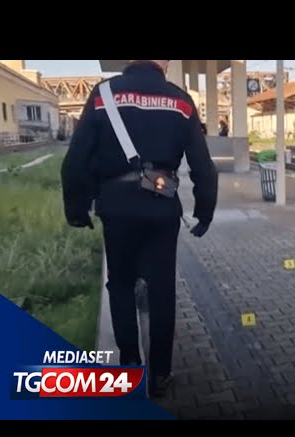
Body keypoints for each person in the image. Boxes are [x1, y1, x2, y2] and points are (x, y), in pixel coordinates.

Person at [60, 60, 218, 397]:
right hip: (162, 207)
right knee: (162, 290)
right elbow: (203, 166)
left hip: (116, 208)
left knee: (119, 285)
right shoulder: (180, 100)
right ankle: (160, 374)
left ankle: (130, 362)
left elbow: (76, 158)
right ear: (164, 63)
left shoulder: (103, 94)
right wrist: (204, 212)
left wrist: (77, 208)